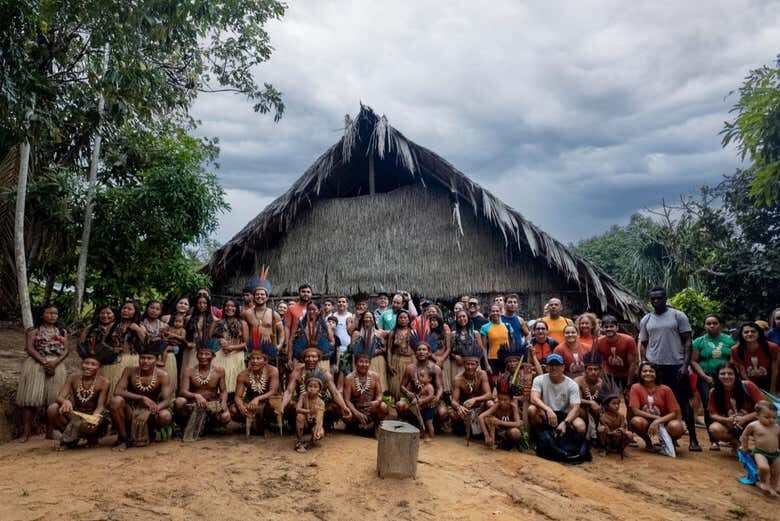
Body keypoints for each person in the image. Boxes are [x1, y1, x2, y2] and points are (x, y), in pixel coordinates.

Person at [638, 287, 699, 451]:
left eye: (659, 298)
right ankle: (669, 438)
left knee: (683, 401)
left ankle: (693, 439)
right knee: (661, 402)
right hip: (655, 366)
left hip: (676, 364)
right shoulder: (646, 320)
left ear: (665, 298)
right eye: (653, 299)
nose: (656, 301)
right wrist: (644, 362)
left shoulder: (678, 316)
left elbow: (688, 341)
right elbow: (643, 343)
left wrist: (685, 365)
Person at [16, 304, 69, 442]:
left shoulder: (62, 331)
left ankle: (50, 432)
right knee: (30, 400)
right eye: (49, 313)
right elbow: (29, 348)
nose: (52, 316)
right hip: (36, 365)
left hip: (57, 365)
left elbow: (66, 350)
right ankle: (25, 433)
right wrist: (44, 362)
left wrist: (55, 363)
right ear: (41, 314)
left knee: (52, 400)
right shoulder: (33, 331)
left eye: (55, 313)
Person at [47, 342, 115, 449]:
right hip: (75, 414)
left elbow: (100, 406)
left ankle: (90, 438)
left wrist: (94, 417)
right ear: (81, 363)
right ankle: (71, 439)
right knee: (53, 408)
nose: (88, 366)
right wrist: (65, 401)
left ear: (99, 367)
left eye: (93, 364)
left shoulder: (104, 382)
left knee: (87, 424)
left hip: (91, 415)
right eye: (86, 363)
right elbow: (60, 397)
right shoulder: (73, 378)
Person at [110, 340, 173, 451]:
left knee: (165, 415)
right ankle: (124, 439)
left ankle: (149, 432)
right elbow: (118, 391)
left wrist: (149, 412)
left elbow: (167, 401)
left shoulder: (163, 375)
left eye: (149, 358)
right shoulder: (129, 371)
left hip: (151, 411)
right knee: (116, 401)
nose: (145, 361)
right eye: (142, 358)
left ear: (157, 360)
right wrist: (141, 397)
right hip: (131, 410)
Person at [691, 315, 737, 450]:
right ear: (705, 326)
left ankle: (732, 437)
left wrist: (729, 375)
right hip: (706, 377)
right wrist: (705, 377)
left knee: (729, 404)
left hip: (727, 376)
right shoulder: (699, 341)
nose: (711, 326)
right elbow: (694, 361)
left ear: (720, 325)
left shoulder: (730, 340)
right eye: (708, 323)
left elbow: (734, 359)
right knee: (708, 406)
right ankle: (714, 440)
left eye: (714, 323)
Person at [280, 346, 352, 427]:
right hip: (301, 402)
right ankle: (298, 425)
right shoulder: (297, 372)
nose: (311, 359)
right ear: (304, 359)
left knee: (335, 407)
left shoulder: (325, 373)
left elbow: (335, 393)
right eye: (308, 357)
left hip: (320, 403)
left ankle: (322, 425)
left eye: (314, 357)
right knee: (290, 405)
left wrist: (344, 407)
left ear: (318, 359)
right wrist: (282, 406)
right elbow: (289, 391)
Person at [628, 362, 684, 452]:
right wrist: (656, 418)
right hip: (646, 421)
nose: (647, 373)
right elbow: (635, 411)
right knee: (636, 422)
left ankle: (670, 442)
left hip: (665, 421)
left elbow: (674, 413)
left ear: (656, 374)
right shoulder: (635, 387)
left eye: (651, 371)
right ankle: (648, 442)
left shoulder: (666, 389)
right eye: (644, 371)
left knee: (676, 427)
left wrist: (658, 421)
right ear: (640, 373)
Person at [707, 361, 765, 447]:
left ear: (735, 375)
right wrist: (727, 420)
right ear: (717, 376)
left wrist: (744, 418)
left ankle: (763, 447)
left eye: (730, 373)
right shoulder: (714, 392)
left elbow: (764, 408)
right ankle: (736, 442)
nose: (726, 376)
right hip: (731, 423)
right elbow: (712, 414)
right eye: (722, 374)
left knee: (765, 429)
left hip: (753, 422)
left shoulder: (748, 386)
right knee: (714, 428)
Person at [174, 346, 231, 433]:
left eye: (207, 354)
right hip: (193, 403)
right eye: (200, 354)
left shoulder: (219, 371)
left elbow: (223, 391)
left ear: (213, 356)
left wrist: (223, 403)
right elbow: (183, 391)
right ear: (197, 356)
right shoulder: (189, 371)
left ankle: (210, 425)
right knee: (179, 401)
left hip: (212, 403)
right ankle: (185, 423)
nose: (203, 356)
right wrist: (196, 395)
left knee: (225, 416)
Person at [528, 354, 586, 436]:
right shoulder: (539, 379)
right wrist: (547, 409)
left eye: (557, 365)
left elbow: (575, 408)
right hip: (546, 413)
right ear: (546, 367)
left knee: (580, 426)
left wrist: (565, 423)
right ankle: (537, 437)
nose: (554, 368)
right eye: (551, 365)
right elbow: (534, 398)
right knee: (531, 409)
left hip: (565, 414)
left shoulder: (572, 384)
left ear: (563, 367)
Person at [232, 342, 280, 436]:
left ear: (265, 361)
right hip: (251, 404)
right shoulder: (243, 375)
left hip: (268, 402)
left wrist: (258, 398)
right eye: (252, 358)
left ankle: (267, 426)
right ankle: (252, 424)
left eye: (258, 358)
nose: (255, 361)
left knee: (273, 405)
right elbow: (237, 396)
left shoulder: (272, 370)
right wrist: (241, 406)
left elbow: (273, 391)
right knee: (233, 409)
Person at [343, 340, 388, 434]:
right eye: (361, 362)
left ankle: (376, 426)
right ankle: (352, 427)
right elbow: (346, 400)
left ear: (370, 364)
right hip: (356, 409)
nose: (364, 364)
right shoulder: (349, 378)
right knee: (345, 411)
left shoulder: (375, 376)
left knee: (383, 406)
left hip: (370, 408)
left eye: (366, 362)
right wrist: (356, 412)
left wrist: (376, 402)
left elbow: (380, 394)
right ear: (356, 363)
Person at [450, 343, 492, 438]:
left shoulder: (482, 374)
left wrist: (475, 399)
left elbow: (489, 395)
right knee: (453, 414)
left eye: (472, 364)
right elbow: (453, 400)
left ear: (477, 365)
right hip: (466, 409)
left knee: (490, 403)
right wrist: (459, 407)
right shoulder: (458, 379)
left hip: (480, 407)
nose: (469, 367)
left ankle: (489, 431)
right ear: (463, 364)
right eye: (467, 364)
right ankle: (461, 429)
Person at [396, 342, 445, 423]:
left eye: (424, 350)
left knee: (443, 412)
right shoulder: (410, 368)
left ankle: (435, 425)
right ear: (415, 353)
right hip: (415, 398)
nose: (421, 352)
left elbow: (440, 388)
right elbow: (402, 386)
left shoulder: (435, 368)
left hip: (431, 398)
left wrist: (437, 398)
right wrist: (409, 394)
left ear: (429, 353)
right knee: (399, 405)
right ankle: (409, 422)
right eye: (419, 350)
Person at [739, 401, 780, 496]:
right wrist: (744, 447)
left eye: (774, 418)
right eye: (767, 417)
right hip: (760, 452)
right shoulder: (754, 425)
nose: (771, 420)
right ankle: (763, 482)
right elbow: (745, 435)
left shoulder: (777, 427)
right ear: (757, 415)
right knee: (763, 467)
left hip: (775, 453)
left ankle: (773, 486)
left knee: (777, 471)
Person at [82, 306, 121, 399]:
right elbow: (81, 343)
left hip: (112, 363)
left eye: (108, 313)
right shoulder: (91, 328)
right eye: (102, 313)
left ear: (114, 315)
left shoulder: (119, 327)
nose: (105, 315)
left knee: (111, 386)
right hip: (93, 363)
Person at [596, 315, 638, 401]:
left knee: (629, 399)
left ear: (617, 327)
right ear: (602, 328)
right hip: (610, 374)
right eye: (606, 327)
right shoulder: (599, 342)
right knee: (610, 400)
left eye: (611, 326)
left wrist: (628, 384)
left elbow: (633, 363)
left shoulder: (628, 340)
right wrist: (603, 379)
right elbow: (598, 363)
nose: (608, 329)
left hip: (627, 373)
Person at [211, 299, 248, 396]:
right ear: (223, 308)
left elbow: (246, 344)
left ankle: (234, 400)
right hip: (220, 353)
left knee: (234, 383)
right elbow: (210, 338)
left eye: (232, 306)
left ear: (236, 308)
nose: (229, 308)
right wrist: (219, 341)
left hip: (236, 354)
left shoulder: (242, 323)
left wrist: (232, 347)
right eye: (227, 306)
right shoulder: (218, 322)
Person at [730, 322, 779, 393]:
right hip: (748, 381)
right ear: (742, 334)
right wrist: (754, 390)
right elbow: (742, 371)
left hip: (770, 380)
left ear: (759, 333)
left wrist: (772, 388)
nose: (750, 334)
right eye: (746, 332)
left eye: (753, 331)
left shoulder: (772, 347)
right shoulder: (735, 350)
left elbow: (775, 369)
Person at [349, 311, 389, 396]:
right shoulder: (356, 333)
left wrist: (375, 352)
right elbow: (352, 349)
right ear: (362, 319)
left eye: (370, 317)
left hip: (376, 361)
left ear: (374, 320)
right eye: (366, 317)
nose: (368, 319)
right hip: (361, 362)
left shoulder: (379, 333)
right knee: (361, 387)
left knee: (377, 386)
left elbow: (385, 348)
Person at [140, 301, 175, 396]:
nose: (154, 311)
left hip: (161, 350)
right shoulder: (141, 324)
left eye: (157, 309)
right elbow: (144, 339)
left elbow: (167, 339)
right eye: (152, 308)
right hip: (146, 355)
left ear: (160, 312)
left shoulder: (164, 325)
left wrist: (164, 336)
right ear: (147, 309)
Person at [244, 287, 285, 367]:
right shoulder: (247, 314)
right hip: (253, 350)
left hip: (269, 350)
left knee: (269, 375)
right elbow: (243, 331)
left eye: (262, 294)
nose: (260, 296)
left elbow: (281, 332)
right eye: (257, 294)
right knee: (252, 376)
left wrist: (279, 346)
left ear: (267, 297)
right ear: (253, 297)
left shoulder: (274, 314)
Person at [290, 301, 335, 373]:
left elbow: (332, 341)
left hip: (321, 360)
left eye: (314, 309)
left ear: (319, 311)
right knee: (301, 381)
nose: (311, 312)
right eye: (309, 310)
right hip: (301, 359)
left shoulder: (325, 325)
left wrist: (322, 351)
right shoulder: (300, 325)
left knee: (321, 380)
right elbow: (292, 341)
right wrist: (290, 359)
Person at [386, 310, 419, 399]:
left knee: (410, 383)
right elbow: (388, 350)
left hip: (411, 360)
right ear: (397, 319)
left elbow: (417, 349)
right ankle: (397, 403)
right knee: (396, 384)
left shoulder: (413, 332)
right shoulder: (392, 333)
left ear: (409, 320)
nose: (403, 319)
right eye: (400, 317)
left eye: (405, 318)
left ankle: (410, 403)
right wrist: (389, 364)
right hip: (396, 360)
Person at [479, 380, 522, 449]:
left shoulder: (513, 407)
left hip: (508, 430)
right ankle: (492, 440)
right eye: (500, 399)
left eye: (505, 400)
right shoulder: (497, 405)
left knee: (515, 432)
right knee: (489, 419)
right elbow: (481, 417)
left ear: (510, 400)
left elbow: (518, 424)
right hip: (497, 429)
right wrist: (486, 435)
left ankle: (506, 443)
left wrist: (500, 422)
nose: (502, 402)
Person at [574, 351, 606, 440]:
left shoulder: (602, 383)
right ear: (585, 370)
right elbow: (575, 399)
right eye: (590, 369)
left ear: (600, 370)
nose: (593, 372)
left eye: (596, 369)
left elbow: (608, 401)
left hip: (598, 412)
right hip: (582, 411)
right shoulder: (578, 381)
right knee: (578, 410)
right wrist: (590, 403)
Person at [479, 304, 514, 377]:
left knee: (505, 383)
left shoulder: (507, 326)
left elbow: (511, 345)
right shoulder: (485, 327)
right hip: (492, 359)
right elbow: (484, 347)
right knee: (494, 383)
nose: (495, 313)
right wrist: (486, 364)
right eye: (493, 311)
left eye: (497, 311)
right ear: (490, 313)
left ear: (501, 312)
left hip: (506, 360)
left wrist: (512, 361)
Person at [285, 284, 313, 368]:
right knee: (297, 374)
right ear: (299, 293)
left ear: (311, 294)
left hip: (312, 345)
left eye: (308, 292)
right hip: (296, 344)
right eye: (303, 292)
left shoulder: (314, 309)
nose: (306, 294)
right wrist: (287, 344)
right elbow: (287, 327)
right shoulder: (292, 308)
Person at [295, 377, 326, 453]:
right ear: (306, 387)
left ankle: (312, 440)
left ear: (319, 389)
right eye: (310, 386)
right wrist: (309, 411)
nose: (312, 389)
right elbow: (297, 409)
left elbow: (320, 418)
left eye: (315, 387)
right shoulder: (303, 396)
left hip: (314, 422)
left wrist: (318, 429)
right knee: (299, 416)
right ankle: (300, 440)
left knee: (320, 433)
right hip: (305, 421)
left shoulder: (321, 402)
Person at [184, 295, 214, 369]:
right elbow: (183, 334)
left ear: (208, 305)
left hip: (205, 350)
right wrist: (187, 343)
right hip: (191, 348)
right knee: (189, 370)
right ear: (196, 304)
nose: (202, 305)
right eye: (199, 303)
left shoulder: (214, 320)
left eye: (204, 303)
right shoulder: (188, 318)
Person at [161, 314, 186, 391]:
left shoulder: (182, 330)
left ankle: (163, 361)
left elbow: (182, 338)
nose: (177, 323)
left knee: (165, 348)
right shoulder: (170, 328)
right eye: (176, 321)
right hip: (170, 345)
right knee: (164, 347)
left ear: (183, 323)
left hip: (176, 348)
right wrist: (164, 336)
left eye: (179, 322)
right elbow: (165, 336)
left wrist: (173, 335)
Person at [413, 368, 437, 442]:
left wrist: (422, 401)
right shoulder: (423, 386)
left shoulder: (429, 386)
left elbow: (431, 396)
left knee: (429, 422)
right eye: (419, 376)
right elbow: (419, 395)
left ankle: (431, 436)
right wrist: (415, 399)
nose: (420, 378)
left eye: (422, 376)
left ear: (429, 378)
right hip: (424, 407)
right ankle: (422, 434)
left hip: (430, 408)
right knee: (421, 421)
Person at [329, 296, 353, 367]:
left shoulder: (351, 316)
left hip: (348, 350)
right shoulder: (333, 316)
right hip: (335, 350)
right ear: (337, 304)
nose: (341, 303)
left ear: (347, 304)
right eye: (339, 302)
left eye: (343, 302)